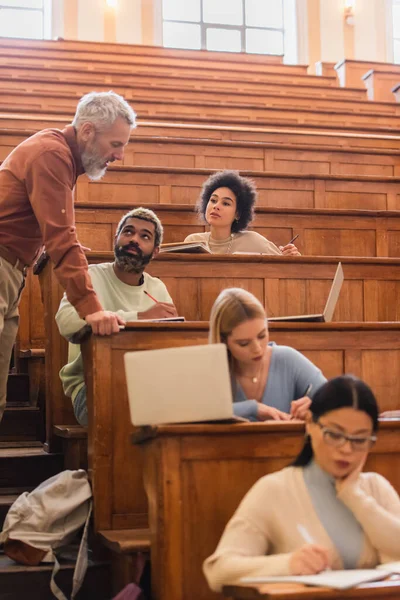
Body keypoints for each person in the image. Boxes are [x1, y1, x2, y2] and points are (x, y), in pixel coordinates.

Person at [0, 91, 137, 420]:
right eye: (115, 145)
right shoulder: (52, 153)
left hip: (11, 271)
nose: (119, 156)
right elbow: (62, 236)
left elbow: (47, 229)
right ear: (88, 131)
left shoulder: (59, 153)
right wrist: (92, 311)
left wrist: (52, 246)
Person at [204, 375, 400, 592]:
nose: (346, 449)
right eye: (334, 434)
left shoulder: (375, 487)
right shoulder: (274, 489)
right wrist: (287, 564)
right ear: (309, 424)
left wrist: (355, 496)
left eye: (360, 439)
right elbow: (219, 570)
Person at [56, 207, 178, 426]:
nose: (134, 240)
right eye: (128, 232)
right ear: (116, 238)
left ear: (155, 251)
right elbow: (65, 321)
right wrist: (139, 317)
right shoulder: (90, 276)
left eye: (145, 236)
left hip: (148, 384)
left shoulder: (157, 288)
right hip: (91, 386)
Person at [209, 288, 326, 421]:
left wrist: (317, 407)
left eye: (262, 336)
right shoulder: (211, 370)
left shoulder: (287, 359)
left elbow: (338, 402)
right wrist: (253, 408)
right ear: (223, 341)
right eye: (244, 343)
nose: (258, 349)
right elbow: (197, 413)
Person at [184, 170, 301, 255]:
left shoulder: (254, 241)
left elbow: (285, 261)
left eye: (226, 203)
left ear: (238, 214)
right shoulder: (193, 242)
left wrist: (292, 255)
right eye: (213, 200)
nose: (216, 206)